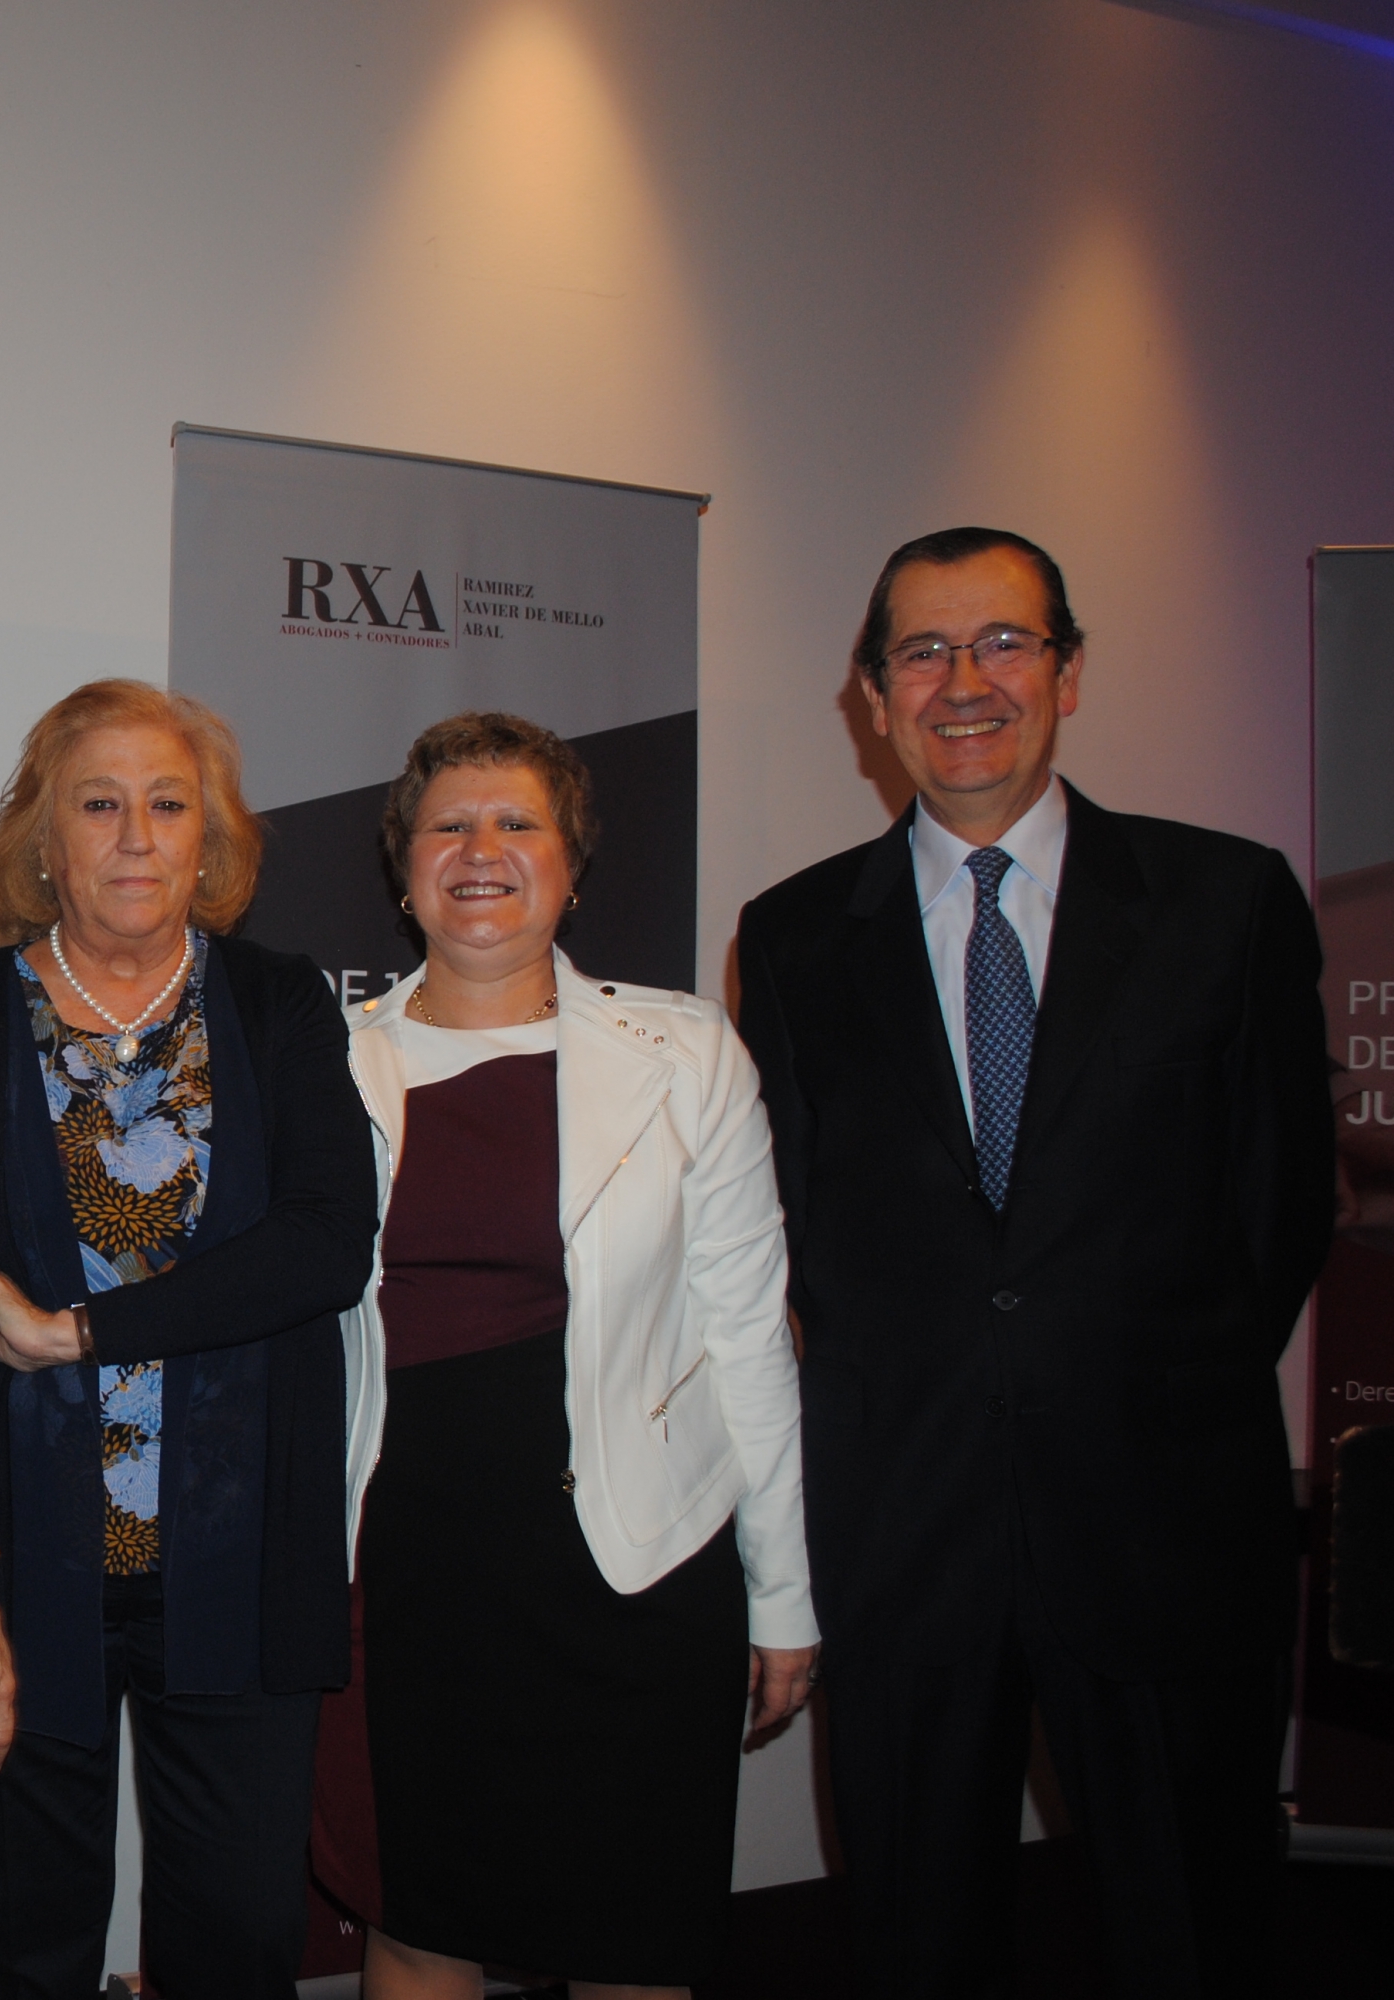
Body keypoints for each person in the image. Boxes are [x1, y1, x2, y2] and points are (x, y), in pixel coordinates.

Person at [737, 528, 1334, 1997]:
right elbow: (796, 1231)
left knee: (1192, 1924)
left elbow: (1282, 1210)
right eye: (920, 653)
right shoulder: (800, 935)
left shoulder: (1226, 902)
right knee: (918, 1932)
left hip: (1168, 1524)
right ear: (872, 699)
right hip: (909, 1533)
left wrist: (1136, 1384)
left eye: (1001, 641)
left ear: (1067, 670)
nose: (963, 683)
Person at [0, 678, 377, 1999]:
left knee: (240, 1951)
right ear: (46, 840)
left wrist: (78, 1332)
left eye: (168, 803)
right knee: (29, 1958)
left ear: (210, 837)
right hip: (19, 1577)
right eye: (100, 804)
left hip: (241, 1570)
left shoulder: (279, 1006)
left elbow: (324, 1243)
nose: (137, 836)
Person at [307, 711, 816, 2000]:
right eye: (448, 824)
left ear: (573, 864)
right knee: (421, 1926)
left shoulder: (687, 1052)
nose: (482, 848)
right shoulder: (323, 1063)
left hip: (641, 1570)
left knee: (632, 1932)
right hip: (407, 1571)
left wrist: (785, 1593)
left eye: (518, 821)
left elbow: (750, 1334)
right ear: (404, 866)